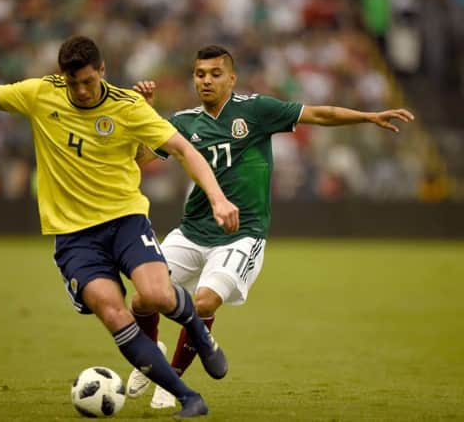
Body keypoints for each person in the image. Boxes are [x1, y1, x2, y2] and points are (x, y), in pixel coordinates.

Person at [0, 35, 241, 418]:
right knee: (114, 313)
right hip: (75, 237)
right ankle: (187, 397)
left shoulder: (128, 107)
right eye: (73, 82)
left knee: (157, 296)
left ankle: (198, 330)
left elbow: (183, 149)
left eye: (88, 81)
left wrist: (217, 198)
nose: (80, 90)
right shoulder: (41, 94)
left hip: (125, 219)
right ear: (63, 76)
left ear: (102, 71)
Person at [128, 45, 415, 409]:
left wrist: (368, 116)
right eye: (200, 74)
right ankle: (150, 351)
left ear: (231, 78)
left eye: (215, 74)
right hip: (192, 229)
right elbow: (140, 159)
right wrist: (146, 116)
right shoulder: (184, 122)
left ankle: (170, 382)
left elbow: (320, 114)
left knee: (204, 301)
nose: (206, 81)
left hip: (241, 233)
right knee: (142, 296)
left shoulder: (256, 110)